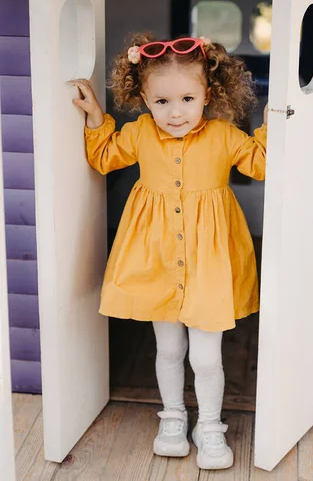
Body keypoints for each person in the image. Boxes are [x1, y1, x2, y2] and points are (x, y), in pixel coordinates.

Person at [68, 33, 268, 471]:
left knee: (206, 354)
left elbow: (262, 162)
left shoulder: (224, 135)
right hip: (158, 260)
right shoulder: (139, 133)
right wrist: (96, 118)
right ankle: (173, 417)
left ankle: (211, 425)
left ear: (208, 94)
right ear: (143, 98)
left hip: (210, 263)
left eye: (186, 98)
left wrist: (276, 125)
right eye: (161, 102)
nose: (175, 112)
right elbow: (104, 157)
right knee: (170, 349)